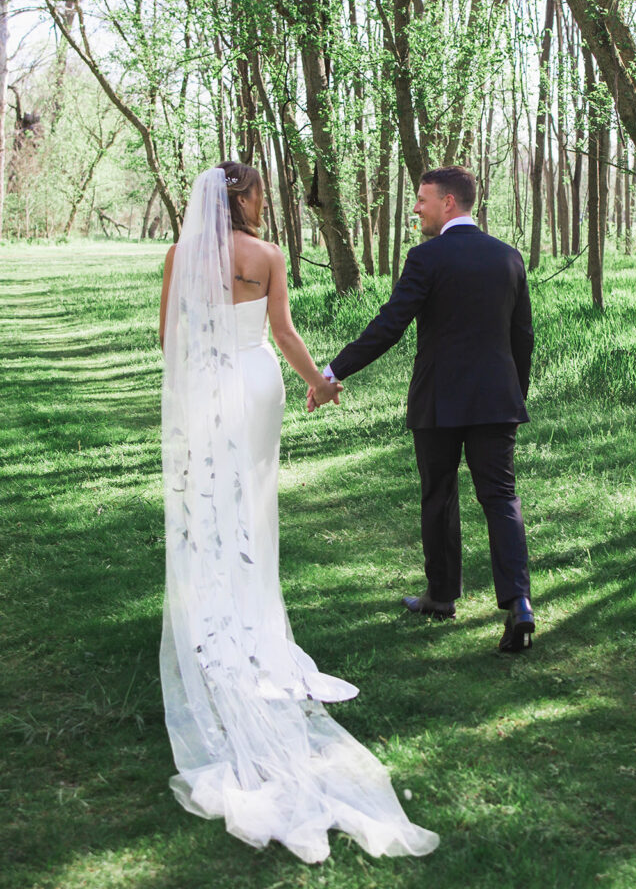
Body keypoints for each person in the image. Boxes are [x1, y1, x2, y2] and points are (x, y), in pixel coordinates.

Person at [158, 163, 439, 863]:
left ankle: (211, 609)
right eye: (257, 193)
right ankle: (250, 611)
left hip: (204, 383)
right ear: (246, 199)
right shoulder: (266, 257)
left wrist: (201, 374)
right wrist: (319, 381)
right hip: (255, 383)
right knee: (251, 502)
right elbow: (281, 333)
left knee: (207, 501)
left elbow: (169, 338)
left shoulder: (179, 255)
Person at [310, 166, 535, 652]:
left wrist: (332, 373)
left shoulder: (427, 258)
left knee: (439, 494)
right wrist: (516, 392)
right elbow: (523, 337)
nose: (416, 208)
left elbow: (389, 325)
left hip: (440, 398)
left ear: (449, 203)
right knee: (500, 497)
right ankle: (518, 602)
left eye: (422, 199)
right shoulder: (509, 258)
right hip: (498, 399)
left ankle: (441, 596)